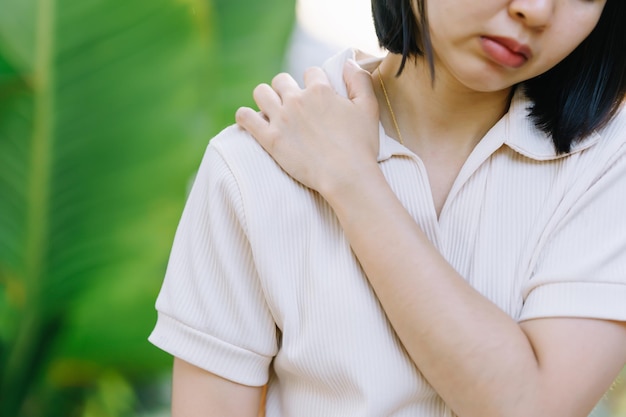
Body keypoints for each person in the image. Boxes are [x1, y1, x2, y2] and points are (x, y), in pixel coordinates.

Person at [149, 0, 626, 416]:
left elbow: (530, 406)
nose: (537, 9)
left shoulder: (608, 159)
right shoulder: (253, 166)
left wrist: (353, 182)